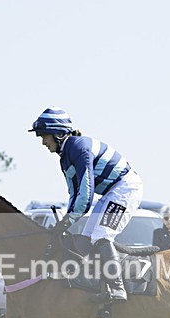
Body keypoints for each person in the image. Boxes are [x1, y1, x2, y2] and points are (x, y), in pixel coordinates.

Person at [29, 107, 144, 302]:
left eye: (44, 136)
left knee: (101, 235)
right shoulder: (65, 157)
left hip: (126, 189)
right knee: (86, 237)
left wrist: (67, 222)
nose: (43, 142)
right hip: (110, 193)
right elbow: (74, 194)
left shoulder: (78, 147)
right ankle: (85, 284)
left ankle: (117, 289)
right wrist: (67, 219)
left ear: (58, 134)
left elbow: (86, 194)